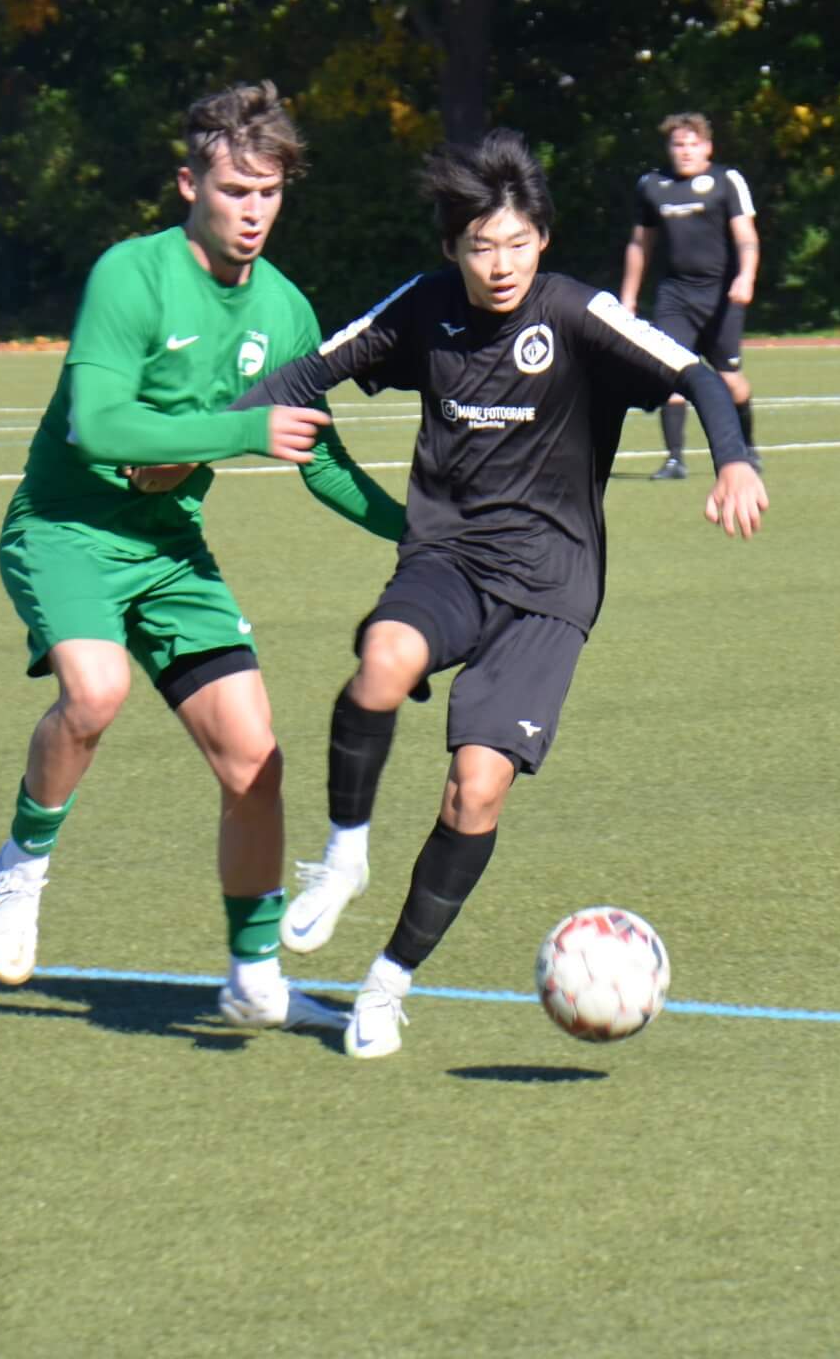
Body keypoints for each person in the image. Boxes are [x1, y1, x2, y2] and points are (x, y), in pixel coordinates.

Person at [234, 128, 767, 1059]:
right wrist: (194, 431)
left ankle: (387, 983)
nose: (501, 264)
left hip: (552, 587)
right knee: (383, 660)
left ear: (543, 241)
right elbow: (312, 371)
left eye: (518, 243)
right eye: (481, 246)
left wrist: (736, 460)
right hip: (449, 560)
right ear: (453, 249)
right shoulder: (428, 308)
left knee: (473, 793)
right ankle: (344, 857)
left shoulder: (577, 313)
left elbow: (694, 374)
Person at [0, 81, 406, 1036]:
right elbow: (98, 426)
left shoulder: (287, 313)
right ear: (188, 184)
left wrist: (417, 533)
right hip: (65, 529)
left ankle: (252, 976)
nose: (252, 213)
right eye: (232, 191)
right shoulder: (131, 275)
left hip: (169, 551)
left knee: (255, 760)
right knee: (94, 692)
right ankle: (22, 867)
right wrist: (242, 428)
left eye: (269, 194)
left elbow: (318, 456)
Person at [621, 111, 760, 479]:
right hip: (675, 296)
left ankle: (747, 449)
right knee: (670, 373)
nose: (685, 151)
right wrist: (628, 297)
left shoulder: (726, 181)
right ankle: (675, 459)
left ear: (708, 147)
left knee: (730, 379)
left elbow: (746, 236)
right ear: (669, 148)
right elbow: (640, 244)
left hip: (720, 296)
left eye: (693, 144)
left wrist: (746, 277)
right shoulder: (652, 185)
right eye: (678, 144)